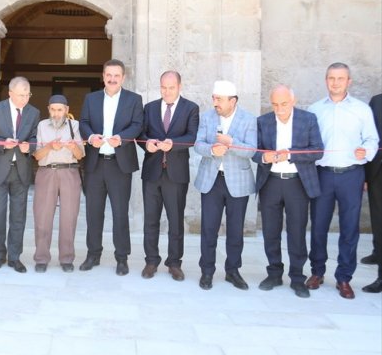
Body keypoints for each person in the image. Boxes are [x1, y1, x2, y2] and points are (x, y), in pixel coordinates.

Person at [307, 63, 379, 299]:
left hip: (351, 174)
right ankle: (317, 272)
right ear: (325, 80)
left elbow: (371, 139)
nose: (335, 82)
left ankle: (344, 278)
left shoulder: (361, 110)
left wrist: (365, 152)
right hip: (323, 175)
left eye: (340, 78)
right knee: (318, 226)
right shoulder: (315, 109)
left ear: (349, 82)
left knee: (349, 228)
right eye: (331, 78)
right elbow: (307, 141)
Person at [252, 85, 324, 298]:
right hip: (271, 182)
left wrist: (290, 154)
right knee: (270, 231)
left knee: (297, 231)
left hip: (297, 183)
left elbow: (317, 150)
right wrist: (264, 157)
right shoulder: (263, 121)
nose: (279, 108)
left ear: (293, 101)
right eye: (275, 104)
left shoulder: (308, 119)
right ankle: (274, 273)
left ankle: (297, 277)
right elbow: (254, 151)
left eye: (283, 104)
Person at [78, 59, 143, 276]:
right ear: (103, 76)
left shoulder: (134, 100)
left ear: (123, 78)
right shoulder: (91, 98)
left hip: (119, 165)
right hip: (95, 164)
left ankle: (122, 257)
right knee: (93, 213)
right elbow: (83, 122)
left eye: (116, 75)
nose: (112, 79)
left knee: (120, 213)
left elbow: (137, 125)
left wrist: (122, 138)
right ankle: (93, 254)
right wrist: (90, 136)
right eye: (109, 75)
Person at [194, 80, 257, 290]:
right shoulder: (207, 117)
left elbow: (251, 151)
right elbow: (198, 144)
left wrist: (231, 143)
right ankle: (207, 271)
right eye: (214, 98)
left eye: (219, 99)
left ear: (233, 100)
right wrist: (212, 150)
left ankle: (233, 271)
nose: (215, 103)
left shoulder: (248, 119)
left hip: (237, 182)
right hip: (212, 181)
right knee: (209, 228)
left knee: (235, 229)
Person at [139, 71, 198, 281]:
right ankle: (151, 261)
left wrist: (173, 144)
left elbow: (192, 136)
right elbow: (141, 134)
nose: (167, 91)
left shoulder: (190, 108)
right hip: (152, 172)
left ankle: (174, 263)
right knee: (150, 220)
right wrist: (147, 143)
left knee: (175, 221)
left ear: (179, 87)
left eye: (171, 87)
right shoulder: (150, 108)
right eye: (163, 87)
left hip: (176, 173)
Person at [0, 76, 39, 273]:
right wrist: (2, 143)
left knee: (18, 217)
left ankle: (15, 257)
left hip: (21, 170)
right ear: (10, 93)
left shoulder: (34, 112)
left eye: (27, 94)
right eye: (21, 95)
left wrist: (29, 147)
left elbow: (35, 138)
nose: (25, 99)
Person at [32, 95, 85, 273]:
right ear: (48, 109)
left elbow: (80, 155)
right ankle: (41, 258)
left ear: (66, 110)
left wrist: (71, 147)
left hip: (69, 172)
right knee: (42, 217)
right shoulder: (41, 126)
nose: (56, 114)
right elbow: (37, 155)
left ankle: (67, 258)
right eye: (53, 110)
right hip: (46, 172)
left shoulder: (74, 125)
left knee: (69, 218)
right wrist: (48, 147)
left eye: (60, 110)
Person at [363, 92, 382, 293]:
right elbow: (369, 136)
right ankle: (378, 252)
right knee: (378, 218)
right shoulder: (376, 101)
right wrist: (366, 175)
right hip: (378, 171)